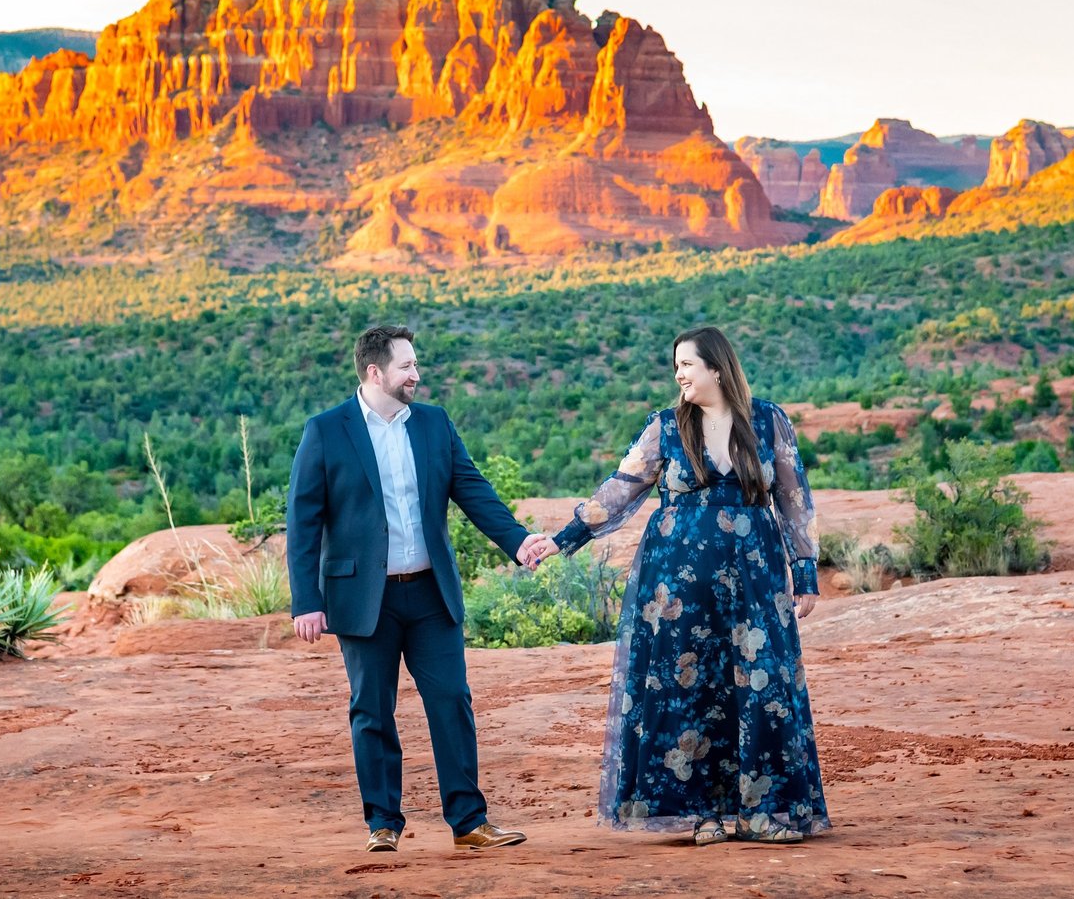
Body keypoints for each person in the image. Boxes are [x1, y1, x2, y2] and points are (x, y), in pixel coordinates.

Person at [522, 325, 829, 845]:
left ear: (717, 367)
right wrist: (562, 538)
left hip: (755, 577)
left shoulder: (767, 420)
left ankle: (761, 812)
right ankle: (702, 814)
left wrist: (804, 571)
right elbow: (618, 491)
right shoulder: (665, 428)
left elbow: (795, 497)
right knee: (691, 689)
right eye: (677, 367)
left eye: (687, 364)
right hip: (678, 586)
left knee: (761, 684)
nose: (680, 375)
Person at [287, 324, 553, 853]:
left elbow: (472, 489)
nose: (416, 373)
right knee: (372, 709)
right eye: (407, 365)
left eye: (414, 364)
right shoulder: (326, 430)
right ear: (375, 372)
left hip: (431, 593)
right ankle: (382, 823)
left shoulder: (433, 423)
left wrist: (518, 541)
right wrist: (307, 602)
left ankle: (469, 822)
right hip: (364, 600)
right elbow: (303, 519)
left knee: (452, 700)